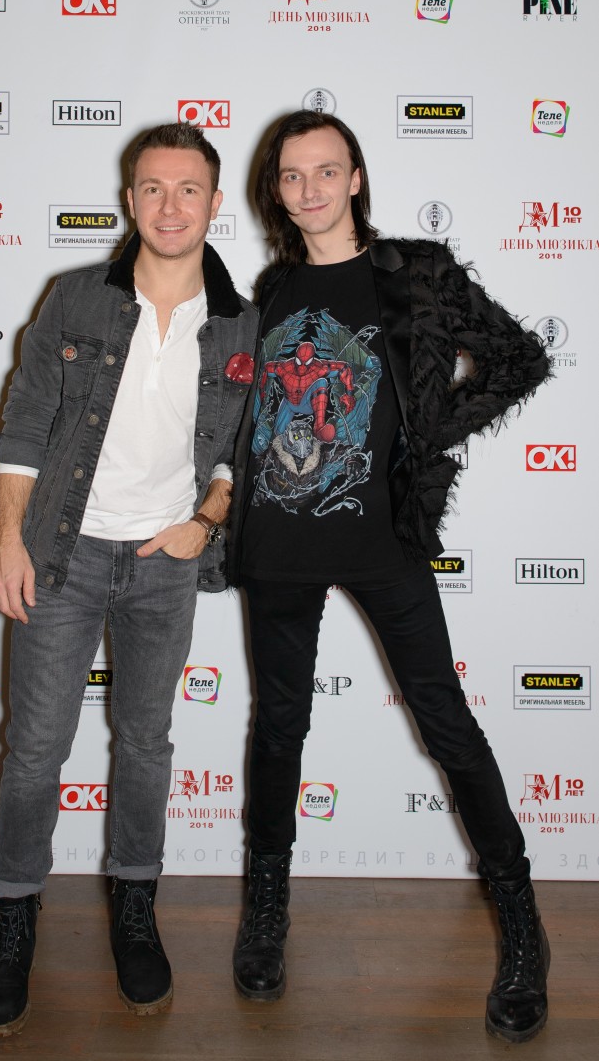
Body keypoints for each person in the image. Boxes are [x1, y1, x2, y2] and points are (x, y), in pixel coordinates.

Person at [227, 110, 551, 1044]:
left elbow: (518, 357)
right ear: (277, 190)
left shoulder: (415, 272)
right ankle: (265, 910)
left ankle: (521, 926)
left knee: (445, 722)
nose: (311, 189)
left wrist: (429, 433)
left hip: (382, 540)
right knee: (279, 726)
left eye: (327, 170)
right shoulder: (271, 288)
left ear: (356, 177)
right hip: (277, 542)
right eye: (292, 175)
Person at [0, 123, 257, 1037]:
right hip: (60, 553)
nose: (170, 206)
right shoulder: (74, 299)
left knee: (145, 745)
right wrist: (6, 540)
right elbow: (24, 423)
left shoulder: (242, 322)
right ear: (129, 199)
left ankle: (135, 906)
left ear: (215, 204)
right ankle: (14, 919)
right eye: (152, 188)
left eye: (188, 189)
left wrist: (202, 523)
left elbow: (242, 449)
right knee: (35, 751)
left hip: (163, 565)